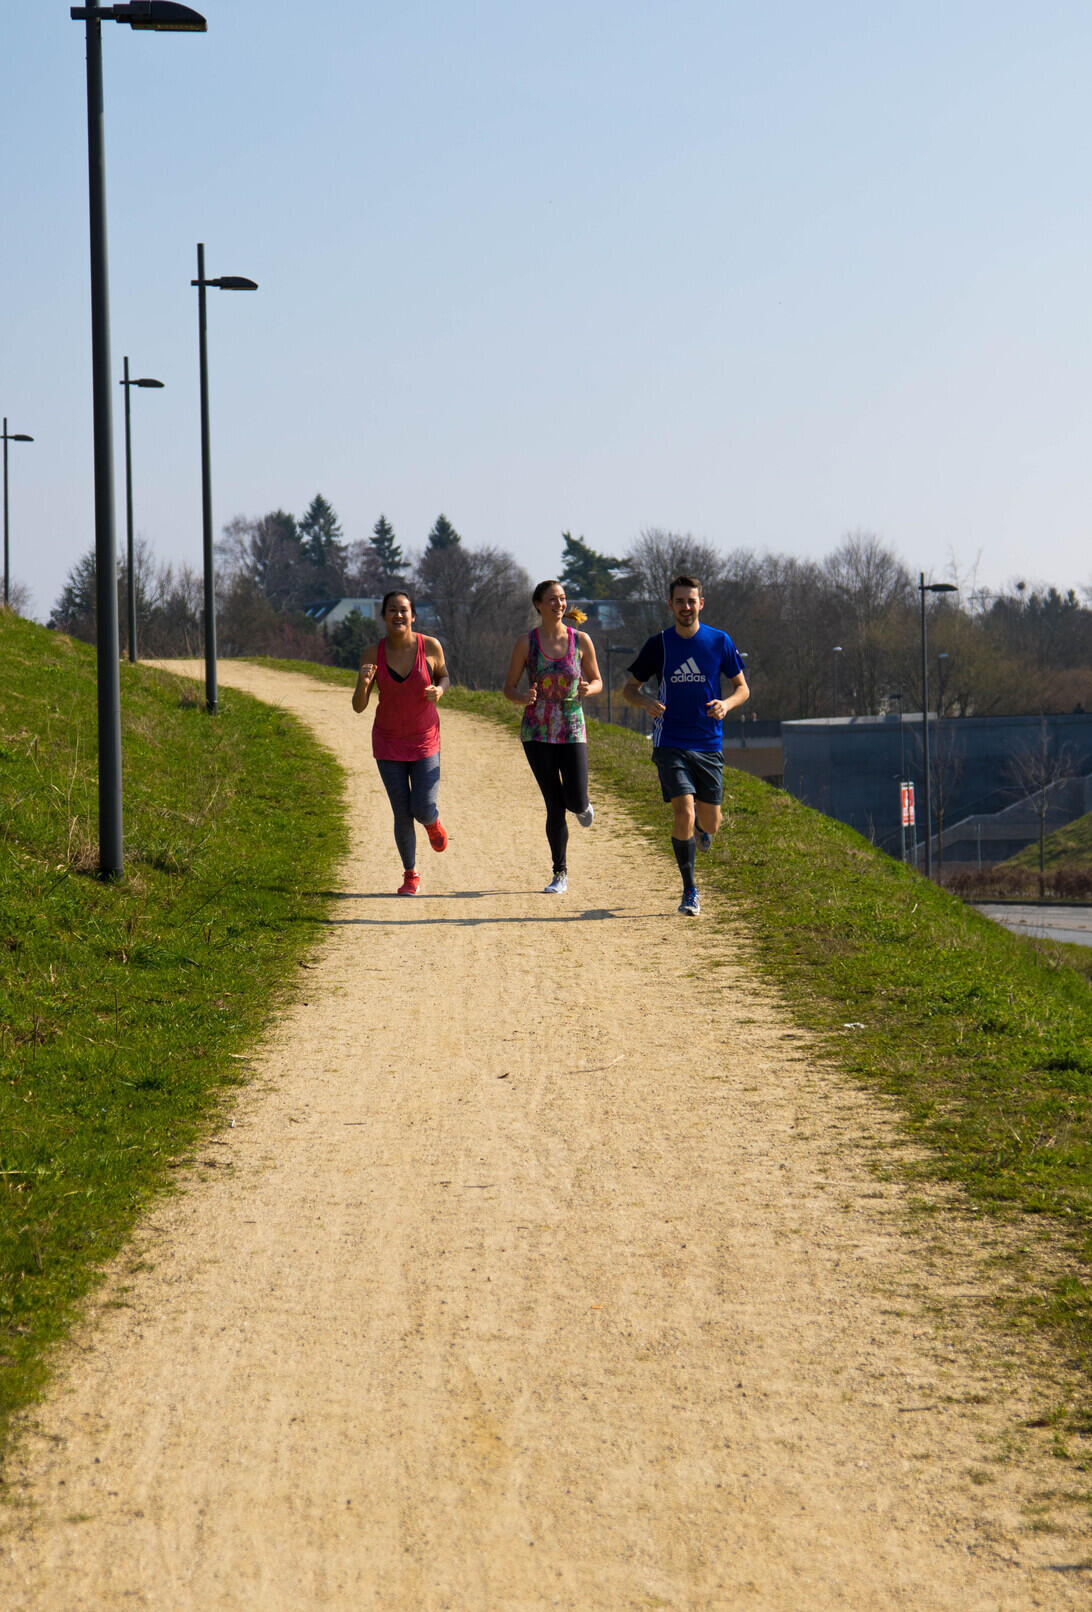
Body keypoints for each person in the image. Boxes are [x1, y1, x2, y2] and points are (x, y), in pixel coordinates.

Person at [622, 575, 748, 916]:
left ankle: (702, 832)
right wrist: (645, 702)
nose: (686, 607)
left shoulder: (719, 641)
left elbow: (742, 688)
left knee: (711, 822)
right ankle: (690, 890)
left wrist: (727, 704)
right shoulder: (659, 644)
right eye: (680, 601)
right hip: (671, 740)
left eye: (691, 601)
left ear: (701, 604)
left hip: (708, 742)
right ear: (671, 605)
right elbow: (628, 689)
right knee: (684, 811)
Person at [504, 579, 603, 894]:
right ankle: (560, 873)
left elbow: (597, 680)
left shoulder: (581, 640)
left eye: (562, 599)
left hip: (572, 728)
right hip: (537, 731)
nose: (559, 604)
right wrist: (522, 698)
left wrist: (590, 688)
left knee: (573, 799)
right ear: (538, 604)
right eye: (552, 599)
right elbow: (509, 687)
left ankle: (583, 804)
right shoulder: (526, 643)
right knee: (553, 804)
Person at [352, 590, 450, 896]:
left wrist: (440, 690)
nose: (398, 615)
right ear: (383, 617)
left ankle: (432, 822)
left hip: (424, 741)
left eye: (403, 610)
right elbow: (358, 706)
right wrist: (363, 684)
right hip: (388, 743)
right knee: (401, 811)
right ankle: (411, 874)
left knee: (421, 807)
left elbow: (445, 676)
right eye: (391, 610)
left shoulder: (430, 646)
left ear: (413, 615)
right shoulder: (372, 654)